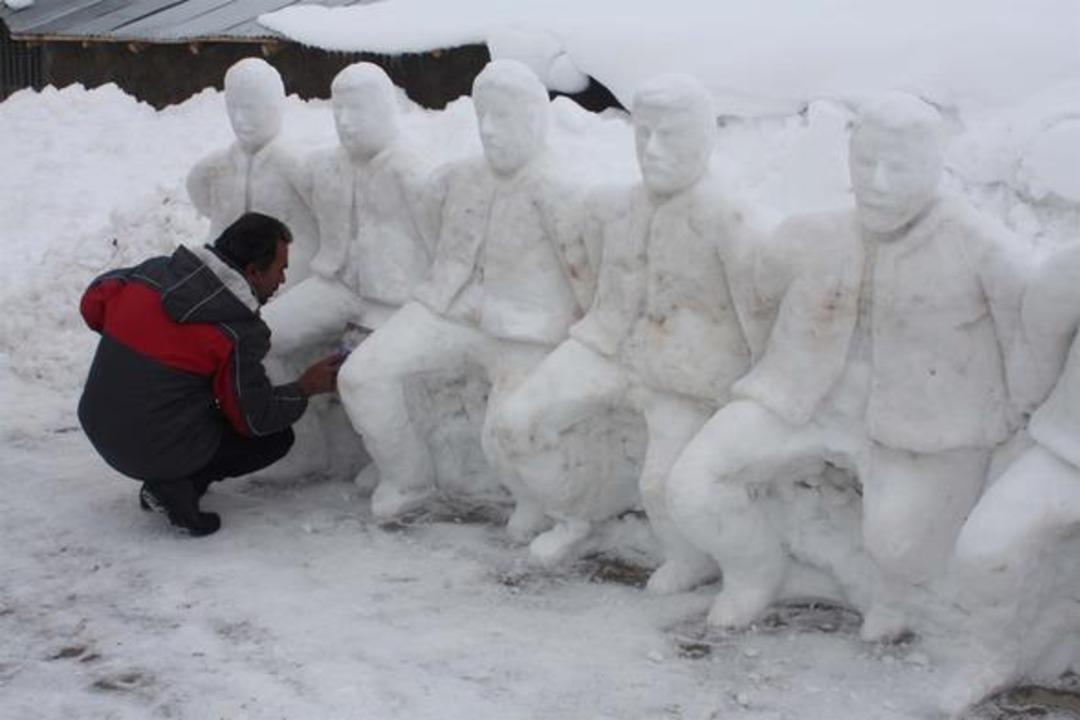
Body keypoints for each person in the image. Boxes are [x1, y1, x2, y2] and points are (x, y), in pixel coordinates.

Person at [665, 93, 1025, 639]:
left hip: (915, 428)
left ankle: (894, 595)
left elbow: (1031, 335)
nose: (876, 181)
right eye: (864, 162)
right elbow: (756, 304)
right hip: (801, 399)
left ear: (934, 167)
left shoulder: (982, 250)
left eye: (898, 167)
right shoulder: (809, 236)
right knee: (693, 482)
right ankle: (756, 572)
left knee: (898, 545)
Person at [490, 75, 767, 590]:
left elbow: (758, 315)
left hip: (685, 372)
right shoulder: (614, 206)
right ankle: (576, 513)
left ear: (704, 141)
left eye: (671, 136)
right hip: (609, 343)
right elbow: (592, 279)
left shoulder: (732, 220)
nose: (653, 150)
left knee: (661, 483)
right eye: (644, 135)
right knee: (518, 422)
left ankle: (693, 557)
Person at [337, 60, 594, 523]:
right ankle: (408, 478)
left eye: (504, 118)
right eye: (483, 118)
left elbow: (586, 276)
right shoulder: (457, 177)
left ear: (535, 120)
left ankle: (547, 505)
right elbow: (428, 228)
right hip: (447, 308)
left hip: (523, 330)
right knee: (361, 376)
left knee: (505, 431)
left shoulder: (563, 192)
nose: (489, 131)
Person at [77, 213, 341, 537]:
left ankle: (167, 467)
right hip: (145, 448)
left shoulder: (153, 272)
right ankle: (176, 486)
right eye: (281, 269)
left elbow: (93, 302)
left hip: (94, 420)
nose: (283, 280)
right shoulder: (236, 331)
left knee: (203, 396)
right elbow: (255, 419)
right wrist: (304, 388)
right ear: (253, 272)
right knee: (274, 440)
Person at [186, 58, 318, 289]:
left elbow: (326, 219)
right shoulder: (215, 167)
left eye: (249, 109)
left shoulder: (296, 165)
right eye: (233, 108)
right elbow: (199, 194)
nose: (239, 119)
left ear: (275, 107)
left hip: (286, 282)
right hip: (222, 280)